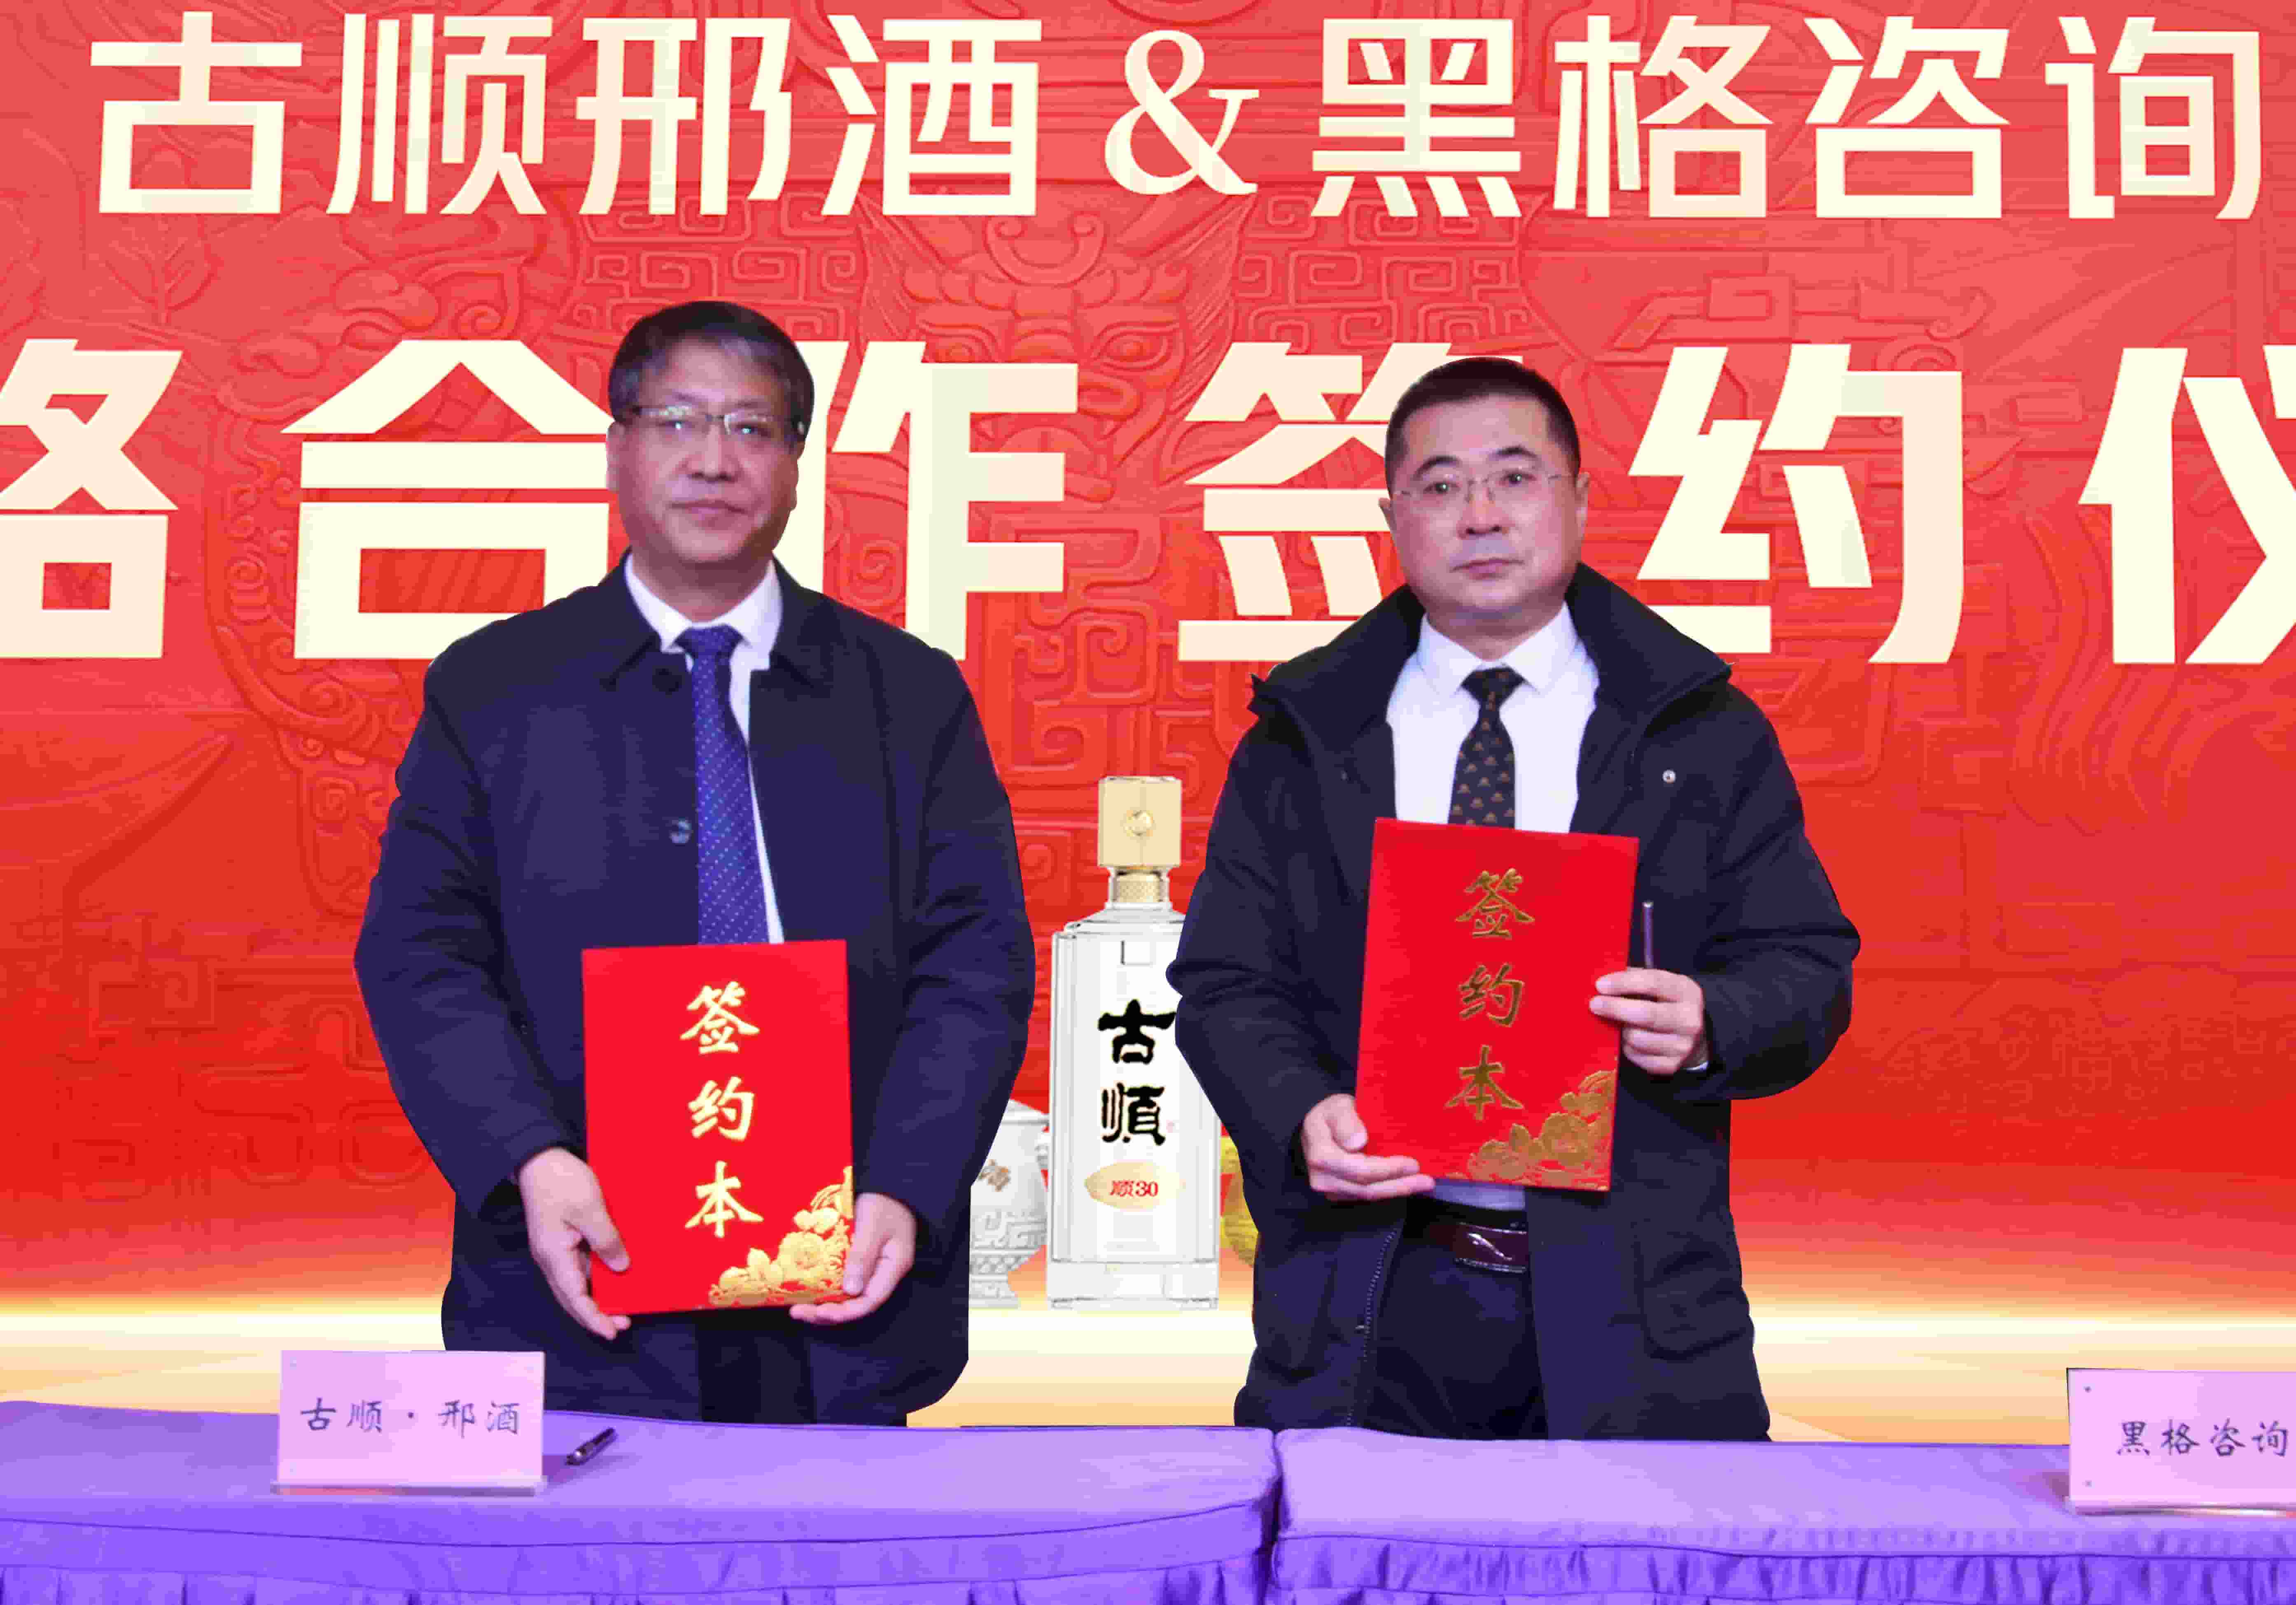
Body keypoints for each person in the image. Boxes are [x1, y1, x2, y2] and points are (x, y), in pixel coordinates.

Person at [356, 300, 1033, 1425]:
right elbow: (422, 955)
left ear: (797, 465)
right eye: (677, 421)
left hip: (842, 1287)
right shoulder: (497, 688)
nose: (714, 460)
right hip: (580, 1271)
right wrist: (528, 1159)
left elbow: (976, 961)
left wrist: (909, 1183)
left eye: (752, 428)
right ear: (617, 447)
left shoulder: (906, 694)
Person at [1170, 356, 1857, 1439]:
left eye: (1515, 477)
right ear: (1393, 517)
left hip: (1632, 1301)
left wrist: (1712, 1020)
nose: (1480, 514)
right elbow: (1225, 982)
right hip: (1370, 1296)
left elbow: (1807, 965)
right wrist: (1298, 1107)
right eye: (1440, 485)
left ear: (1578, 498)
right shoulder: (1308, 734)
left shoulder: (1698, 731)